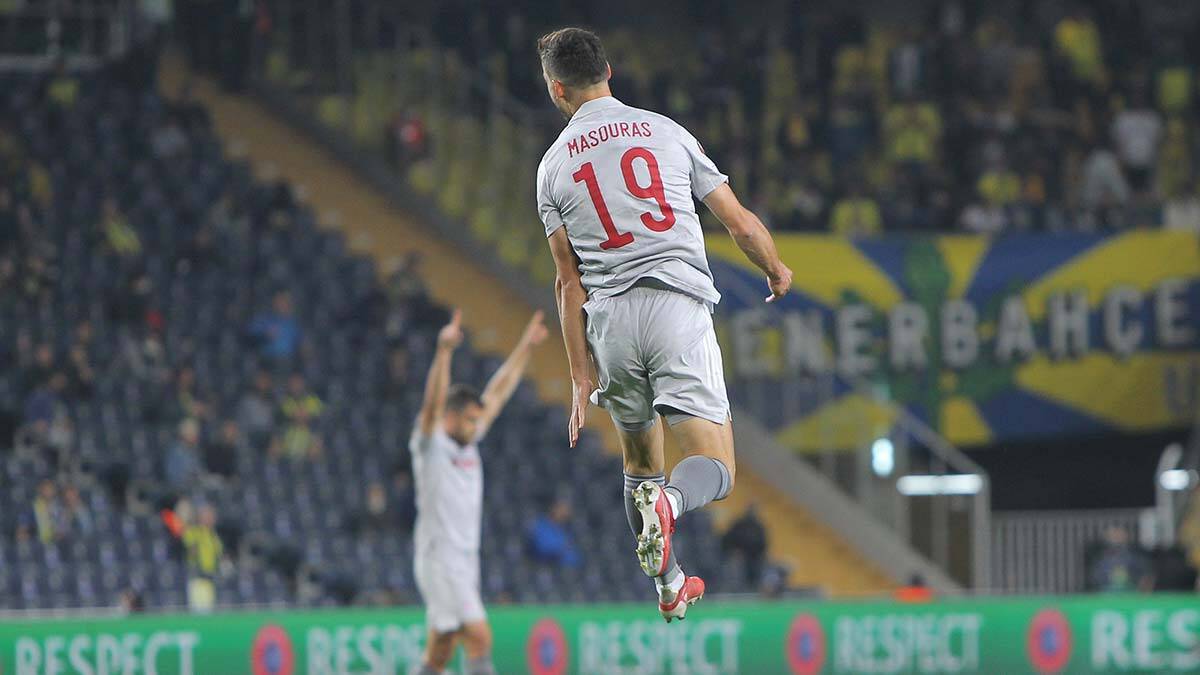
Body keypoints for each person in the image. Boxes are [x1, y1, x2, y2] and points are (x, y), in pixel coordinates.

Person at [535, 27, 792, 621]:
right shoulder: (666, 132)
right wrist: (776, 269)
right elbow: (740, 224)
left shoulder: (552, 168)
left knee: (639, 466)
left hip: (609, 322)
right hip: (675, 304)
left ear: (557, 89)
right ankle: (674, 506)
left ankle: (668, 584)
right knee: (717, 469)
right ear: (609, 72)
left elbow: (566, 281)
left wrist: (579, 375)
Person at [411, 309, 547, 675]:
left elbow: (498, 392)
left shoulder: (468, 444)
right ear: (451, 416)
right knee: (479, 637)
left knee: (440, 651)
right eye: (469, 419)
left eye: (476, 420)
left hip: (464, 559)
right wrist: (443, 353)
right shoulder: (430, 445)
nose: (475, 425)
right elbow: (431, 407)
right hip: (440, 559)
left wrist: (525, 347)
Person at [525, 497, 582, 568]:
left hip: (572, 569)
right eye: (561, 509)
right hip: (551, 568)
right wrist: (561, 551)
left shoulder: (568, 529)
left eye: (567, 510)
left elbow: (574, 554)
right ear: (553, 508)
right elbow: (541, 549)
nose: (565, 512)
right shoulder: (540, 525)